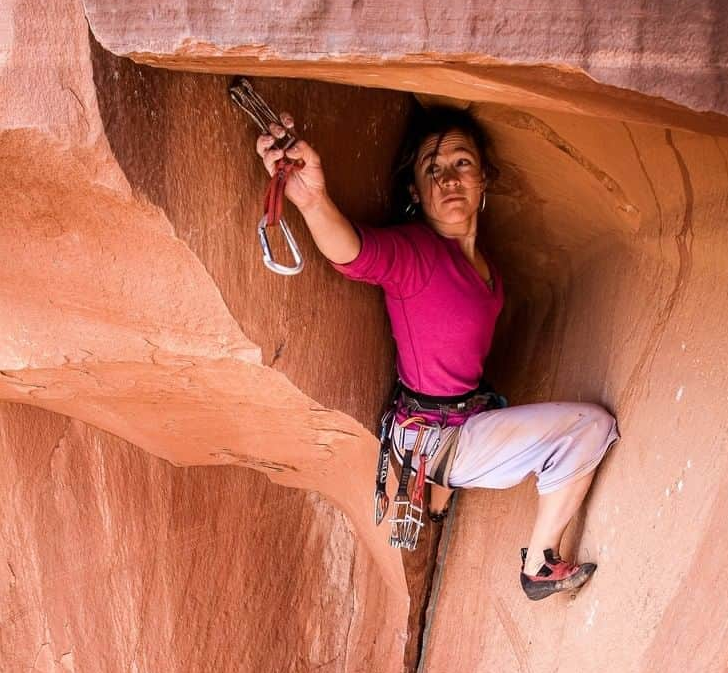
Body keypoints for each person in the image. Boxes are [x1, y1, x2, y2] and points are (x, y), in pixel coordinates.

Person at [256, 103, 618, 599]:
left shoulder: (487, 269)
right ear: (416, 191)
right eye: (433, 169)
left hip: (447, 426)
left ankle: (441, 499)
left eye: (462, 163)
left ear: (485, 177)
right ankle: (539, 565)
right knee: (591, 428)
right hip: (435, 439)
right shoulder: (417, 254)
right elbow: (354, 253)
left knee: (489, 398)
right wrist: (312, 200)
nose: (448, 178)